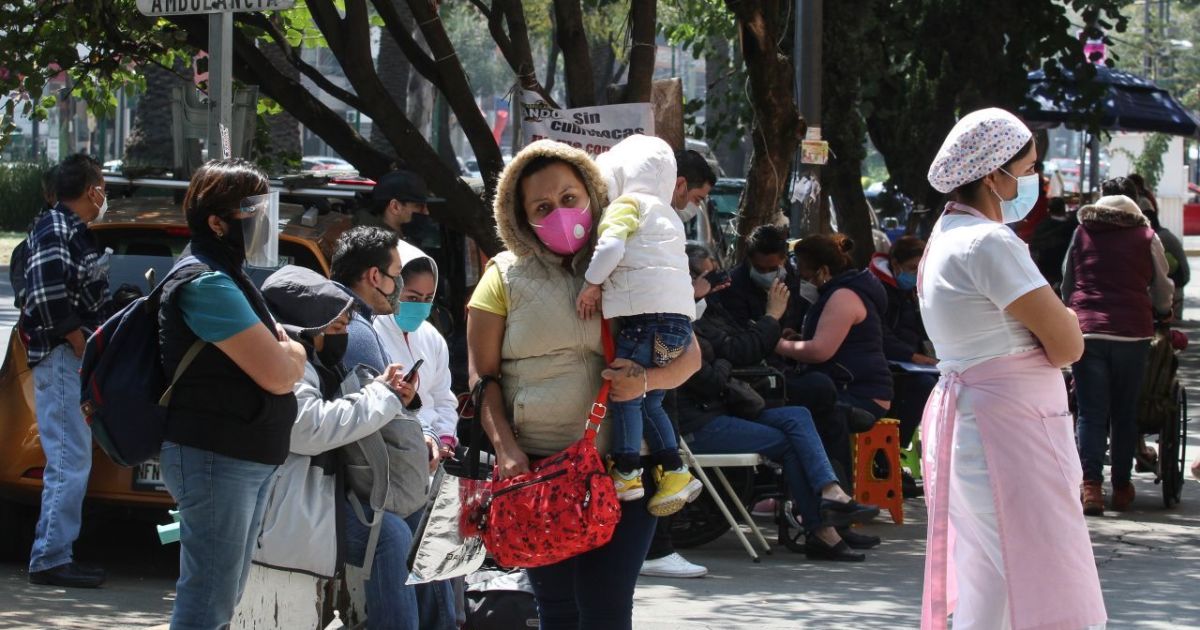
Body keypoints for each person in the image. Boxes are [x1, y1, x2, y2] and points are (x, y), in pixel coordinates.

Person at [467, 139, 701, 630]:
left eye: (569, 199)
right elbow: (481, 377)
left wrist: (645, 383)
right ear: (520, 217)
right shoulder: (502, 277)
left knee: (607, 608)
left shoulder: (631, 260)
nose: (560, 213)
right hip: (540, 472)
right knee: (556, 610)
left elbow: (690, 359)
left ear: (593, 196)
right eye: (542, 207)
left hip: (625, 471)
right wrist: (506, 449)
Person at [920, 108, 1105, 629]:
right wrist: (1065, 316)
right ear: (991, 174)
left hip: (985, 423)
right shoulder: (990, 243)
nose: (1033, 182)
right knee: (1044, 573)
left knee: (993, 579)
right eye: (1026, 169)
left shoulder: (947, 237)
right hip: (1009, 431)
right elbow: (1067, 343)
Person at [157, 159, 308, 628]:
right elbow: (281, 374)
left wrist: (289, 353)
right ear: (217, 222)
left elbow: (283, 359)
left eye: (265, 207)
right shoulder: (206, 282)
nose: (263, 221)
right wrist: (294, 353)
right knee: (209, 600)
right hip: (215, 455)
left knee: (222, 594)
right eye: (252, 210)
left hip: (242, 454)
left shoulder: (229, 274)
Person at [676, 242, 880, 561]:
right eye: (709, 276)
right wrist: (766, 322)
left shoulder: (708, 309)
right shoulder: (678, 320)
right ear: (688, 280)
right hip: (697, 423)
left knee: (799, 415)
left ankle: (832, 496)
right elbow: (716, 370)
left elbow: (735, 346)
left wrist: (735, 351)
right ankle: (823, 528)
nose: (718, 281)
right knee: (793, 437)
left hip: (722, 408)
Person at [253, 265, 420, 627]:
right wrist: (383, 395)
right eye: (333, 317)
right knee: (390, 537)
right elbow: (310, 428)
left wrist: (384, 391)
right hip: (287, 504)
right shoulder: (287, 362)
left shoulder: (310, 359)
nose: (343, 324)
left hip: (314, 492)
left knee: (415, 525)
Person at [331, 226, 456, 630]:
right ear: (375, 277)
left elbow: (441, 400)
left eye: (424, 297)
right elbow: (358, 417)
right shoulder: (357, 328)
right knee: (399, 535)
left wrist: (434, 436)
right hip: (348, 484)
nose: (403, 291)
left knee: (432, 524)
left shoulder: (419, 336)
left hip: (391, 471)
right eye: (399, 279)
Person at [575, 135, 700, 516]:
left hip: (645, 319)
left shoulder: (626, 205)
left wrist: (591, 283)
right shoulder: (668, 214)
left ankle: (627, 469)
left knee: (626, 390)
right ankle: (676, 470)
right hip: (678, 323)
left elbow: (611, 248)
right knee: (651, 397)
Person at [21, 154, 111, 588]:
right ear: (91, 188)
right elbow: (48, 292)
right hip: (61, 357)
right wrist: (78, 341)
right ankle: (51, 558)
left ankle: (56, 553)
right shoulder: (55, 228)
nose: (104, 196)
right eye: (103, 186)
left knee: (71, 459)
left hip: (71, 356)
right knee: (67, 460)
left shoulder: (72, 231)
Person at [1061, 194, 1174, 515]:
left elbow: (1069, 280)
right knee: (1124, 413)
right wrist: (1163, 311)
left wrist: (1076, 310)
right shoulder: (1146, 236)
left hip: (1089, 333)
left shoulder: (1081, 233)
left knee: (1091, 413)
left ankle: (1092, 487)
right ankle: (1122, 487)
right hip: (1132, 333)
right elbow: (1162, 286)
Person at [779, 234, 894, 425]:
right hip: (850, 386)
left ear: (823, 271)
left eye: (804, 274)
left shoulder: (843, 296)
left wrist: (777, 344)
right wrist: (799, 339)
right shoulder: (838, 291)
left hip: (860, 394)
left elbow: (819, 351)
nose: (802, 280)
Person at [374, 240, 460, 458]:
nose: (421, 305)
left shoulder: (431, 337)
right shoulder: (372, 332)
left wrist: (446, 438)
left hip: (435, 450)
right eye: (412, 297)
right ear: (392, 289)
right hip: (392, 449)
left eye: (428, 299)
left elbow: (443, 398)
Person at [867, 235, 936, 495]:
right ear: (895, 264)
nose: (916, 274)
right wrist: (913, 356)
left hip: (909, 361)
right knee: (921, 387)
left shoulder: (909, 290)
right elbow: (882, 333)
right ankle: (885, 459)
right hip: (888, 363)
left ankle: (891, 457)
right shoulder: (879, 288)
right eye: (911, 269)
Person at [717, 224, 808, 331]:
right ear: (750, 260)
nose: (767, 274)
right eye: (760, 268)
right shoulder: (732, 286)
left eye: (773, 269)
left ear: (784, 259)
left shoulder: (795, 278)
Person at [1130, 173, 1189, 320]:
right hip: (1174, 286)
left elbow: (1160, 278)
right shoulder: (1158, 234)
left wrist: (1163, 309)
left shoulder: (1155, 238)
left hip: (1175, 287)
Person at [356, 169, 431, 241]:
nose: (426, 212)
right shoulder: (382, 249)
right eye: (418, 206)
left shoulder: (371, 240)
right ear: (395, 207)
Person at [1029, 197, 1077, 292]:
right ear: (1063, 208)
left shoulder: (1042, 226)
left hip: (1046, 270)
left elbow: (1034, 246)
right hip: (1066, 270)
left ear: (1049, 210)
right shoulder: (1073, 226)